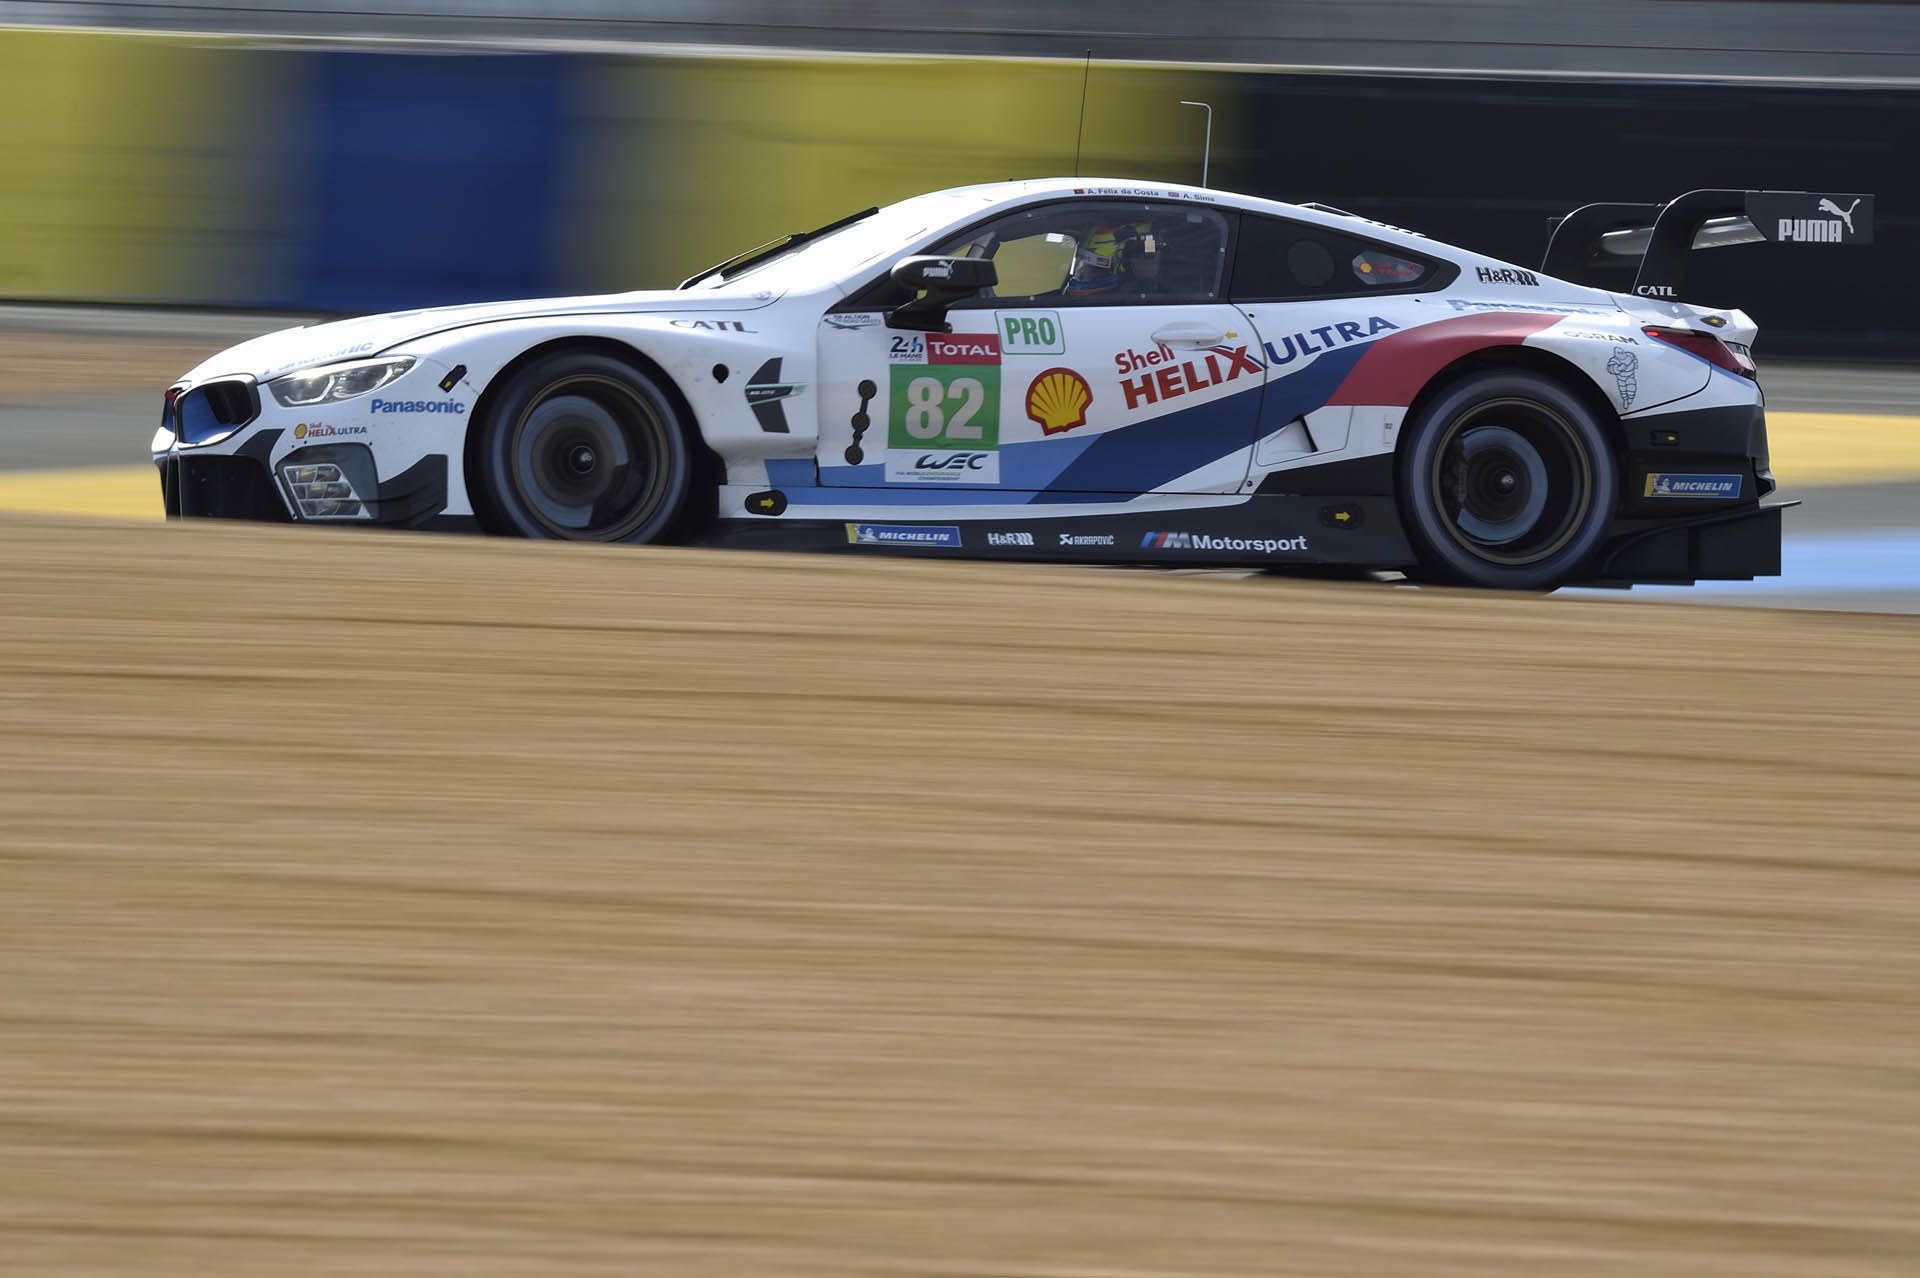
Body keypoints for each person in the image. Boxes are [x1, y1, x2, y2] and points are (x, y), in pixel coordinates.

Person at [1064, 219, 1160, 297]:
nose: (1083, 271)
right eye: (1083, 265)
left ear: (1123, 262)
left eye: (1096, 269)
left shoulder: (1122, 301)